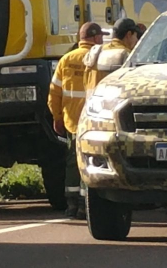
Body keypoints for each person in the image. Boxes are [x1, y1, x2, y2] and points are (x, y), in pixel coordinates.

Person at [48, 22, 103, 219]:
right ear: (96, 38)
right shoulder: (99, 59)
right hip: (94, 121)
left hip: (72, 122)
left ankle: (71, 205)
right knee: (91, 162)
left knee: (73, 162)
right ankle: (85, 204)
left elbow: (54, 93)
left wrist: (57, 117)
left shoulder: (66, 60)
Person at [84, 17, 141, 89]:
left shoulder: (95, 52)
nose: (137, 40)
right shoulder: (127, 56)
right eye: (135, 36)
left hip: (93, 98)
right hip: (113, 99)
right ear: (129, 34)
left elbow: (86, 82)